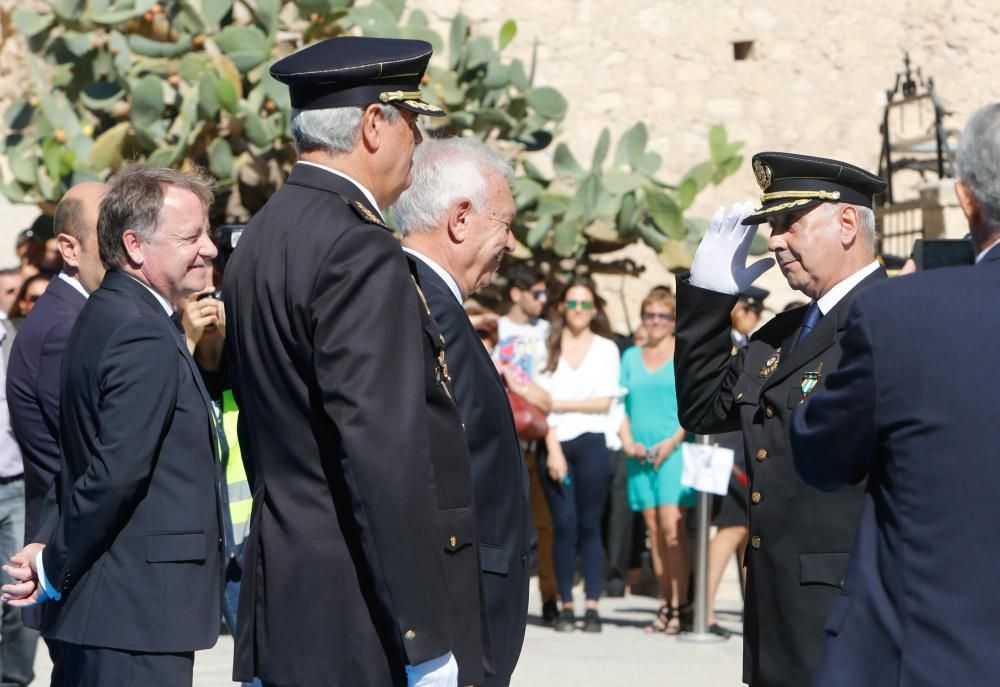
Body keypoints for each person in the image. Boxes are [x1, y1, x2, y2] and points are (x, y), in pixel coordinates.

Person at [224, 36, 484, 687]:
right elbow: (381, 453)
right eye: (412, 123)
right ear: (374, 124)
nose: (417, 143)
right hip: (353, 612)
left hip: (284, 592)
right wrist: (423, 635)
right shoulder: (357, 247)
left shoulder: (264, 233)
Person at [789, 103, 1000, 687]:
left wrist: (898, 320)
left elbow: (818, 452)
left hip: (930, 659)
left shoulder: (905, 313)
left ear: (966, 199)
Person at [1, 164, 224, 687]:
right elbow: (112, 472)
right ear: (135, 245)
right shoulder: (138, 331)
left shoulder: (113, 312)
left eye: (207, 233)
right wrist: (53, 563)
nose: (210, 248)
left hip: (123, 613)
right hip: (134, 617)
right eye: (191, 236)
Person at [674, 152, 887, 687]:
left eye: (790, 222)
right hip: (776, 612)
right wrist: (709, 298)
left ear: (846, 223)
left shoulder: (890, 317)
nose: (773, 240)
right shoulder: (783, 332)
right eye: (771, 225)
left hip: (850, 613)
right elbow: (704, 408)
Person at [395, 136, 529, 687]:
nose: (513, 244)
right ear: (460, 218)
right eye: (504, 225)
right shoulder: (423, 307)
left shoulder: (431, 301)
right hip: (457, 607)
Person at [6, 181, 108, 686]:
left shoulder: (77, 315)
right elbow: (81, 456)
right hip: (74, 556)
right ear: (68, 247)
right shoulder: (66, 327)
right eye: (106, 233)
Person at [536, 276, 619, 633]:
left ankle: (593, 604)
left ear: (595, 309)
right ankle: (565, 602)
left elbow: (604, 402)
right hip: (553, 442)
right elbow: (538, 403)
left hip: (592, 443)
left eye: (586, 304)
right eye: (572, 303)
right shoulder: (545, 344)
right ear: (561, 308)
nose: (579, 311)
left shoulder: (606, 348)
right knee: (563, 524)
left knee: (589, 524)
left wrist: (560, 403)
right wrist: (552, 448)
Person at [618, 288, 692, 633]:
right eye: (650, 315)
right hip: (638, 452)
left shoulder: (682, 353)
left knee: (672, 527)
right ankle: (664, 604)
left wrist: (673, 440)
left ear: (674, 320)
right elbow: (619, 404)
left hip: (673, 448)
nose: (656, 322)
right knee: (653, 532)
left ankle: (682, 605)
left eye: (663, 316)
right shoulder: (630, 356)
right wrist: (627, 440)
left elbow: (692, 405)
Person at [494, 265, 559, 621]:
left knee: (544, 526)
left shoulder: (548, 334)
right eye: (537, 293)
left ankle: (549, 598)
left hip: (537, 440)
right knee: (503, 525)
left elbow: (550, 397)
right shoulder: (495, 329)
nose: (543, 300)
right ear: (516, 293)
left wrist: (521, 389)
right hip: (500, 439)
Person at [704, 286, 768, 638]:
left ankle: (749, 609)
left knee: (746, 532)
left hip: (743, 450)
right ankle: (705, 607)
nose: (753, 316)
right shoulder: (730, 345)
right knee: (730, 530)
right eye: (748, 309)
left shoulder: (750, 343)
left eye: (757, 311)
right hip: (725, 451)